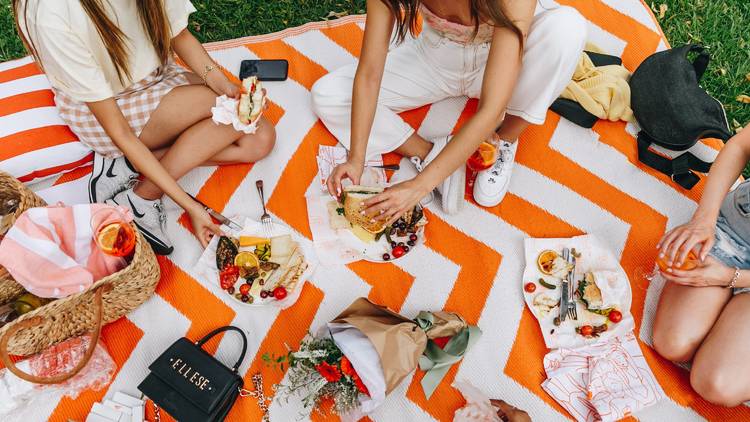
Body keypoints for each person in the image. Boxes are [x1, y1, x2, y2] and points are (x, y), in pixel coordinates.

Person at [13, 0, 276, 255]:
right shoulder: (52, 13)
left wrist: (224, 85)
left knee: (260, 139)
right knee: (229, 113)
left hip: (157, 77)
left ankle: (128, 164)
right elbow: (121, 133)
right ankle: (141, 197)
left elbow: (179, 36)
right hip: (103, 110)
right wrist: (190, 206)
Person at [312, 0, 586, 220]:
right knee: (328, 95)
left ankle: (503, 141)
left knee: (567, 29)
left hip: (504, 62)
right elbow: (370, 73)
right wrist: (356, 158)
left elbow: (492, 108)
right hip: (436, 59)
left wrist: (418, 186)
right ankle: (429, 152)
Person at [652, 127, 750, 407]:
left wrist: (729, 278)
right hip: (734, 233)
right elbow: (741, 146)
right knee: (674, 343)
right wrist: (704, 221)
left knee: (716, 384)